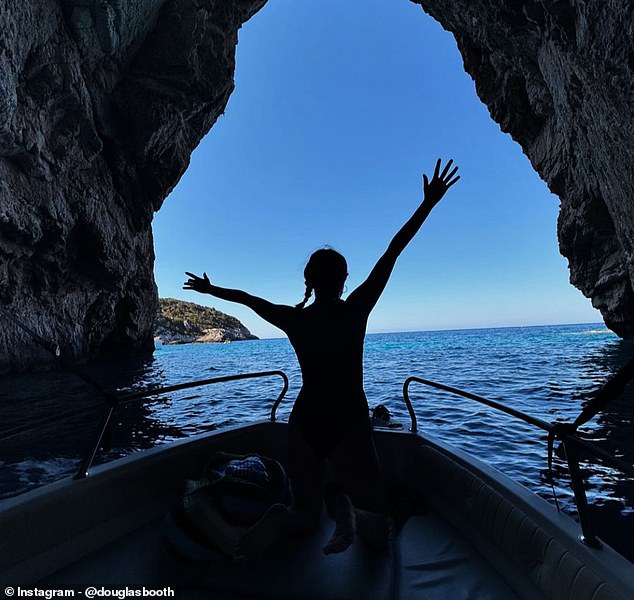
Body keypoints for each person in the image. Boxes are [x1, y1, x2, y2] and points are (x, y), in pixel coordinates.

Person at [184, 158, 460, 558]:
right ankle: (347, 510)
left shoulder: (294, 318)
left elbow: (247, 299)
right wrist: (428, 203)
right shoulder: (355, 309)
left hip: (306, 419)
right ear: (345, 279)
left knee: (303, 515)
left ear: (309, 282)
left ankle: (302, 516)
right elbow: (393, 250)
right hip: (348, 418)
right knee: (377, 532)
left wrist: (211, 291)